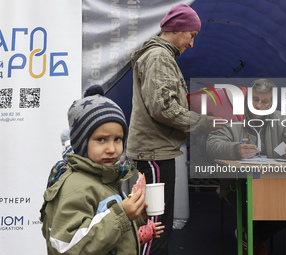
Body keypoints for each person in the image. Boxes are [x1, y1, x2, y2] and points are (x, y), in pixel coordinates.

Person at [126, 3, 218, 255]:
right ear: (179, 29)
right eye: (192, 36)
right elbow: (163, 108)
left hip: (156, 150)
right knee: (155, 228)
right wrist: (202, 122)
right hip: (154, 153)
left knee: (158, 225)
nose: (191, 44)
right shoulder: (159, 57)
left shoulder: (159, 56)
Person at [40, 87, 162, 255]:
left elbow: (102, 224)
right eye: (101, 139)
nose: (111, 149)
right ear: (81, 143)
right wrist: (123, 215)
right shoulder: (76, 187)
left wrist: (136, 217)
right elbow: (66, 248)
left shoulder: (106, 178)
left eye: (117, 139)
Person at [206, 78, 286, 255]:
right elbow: (212, 145)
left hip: (274, 183)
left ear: (272, 103)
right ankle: (253, 238)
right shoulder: (233, 116)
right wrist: (235, 149)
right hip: (238, 184)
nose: (259, 105)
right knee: (255, 202)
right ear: (248, 99)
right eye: (255, 100)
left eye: (265, 101)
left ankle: (250, 237)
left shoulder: (281, 119)